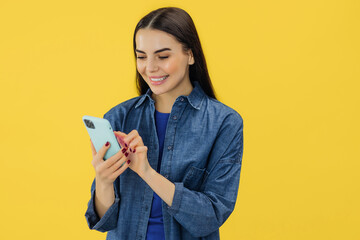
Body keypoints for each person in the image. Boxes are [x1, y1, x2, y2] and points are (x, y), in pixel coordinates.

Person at [85, 7, 244, 240]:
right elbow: (104, 221)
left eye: (163, 56)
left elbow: (210, 216)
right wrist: (103, 179)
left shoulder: (224, 123)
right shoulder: (118, 117)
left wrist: (147, 172)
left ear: (190, 54)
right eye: (141, 56)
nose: (149, 67)